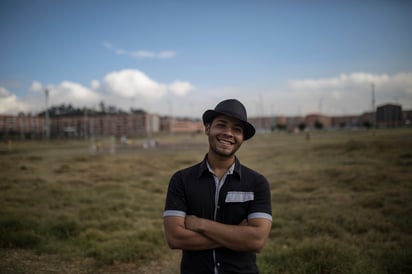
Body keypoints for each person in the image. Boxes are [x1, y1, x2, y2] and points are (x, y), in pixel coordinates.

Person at [163, 99, 272, 274]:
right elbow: (175, 238)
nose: (228, 133)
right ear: (207, 128)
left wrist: (201, 224)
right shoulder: (181, 180)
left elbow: (257, 241)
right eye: (221, 125)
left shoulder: (257, 183)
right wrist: (239, 235)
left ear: (242, 138)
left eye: (237, 129)